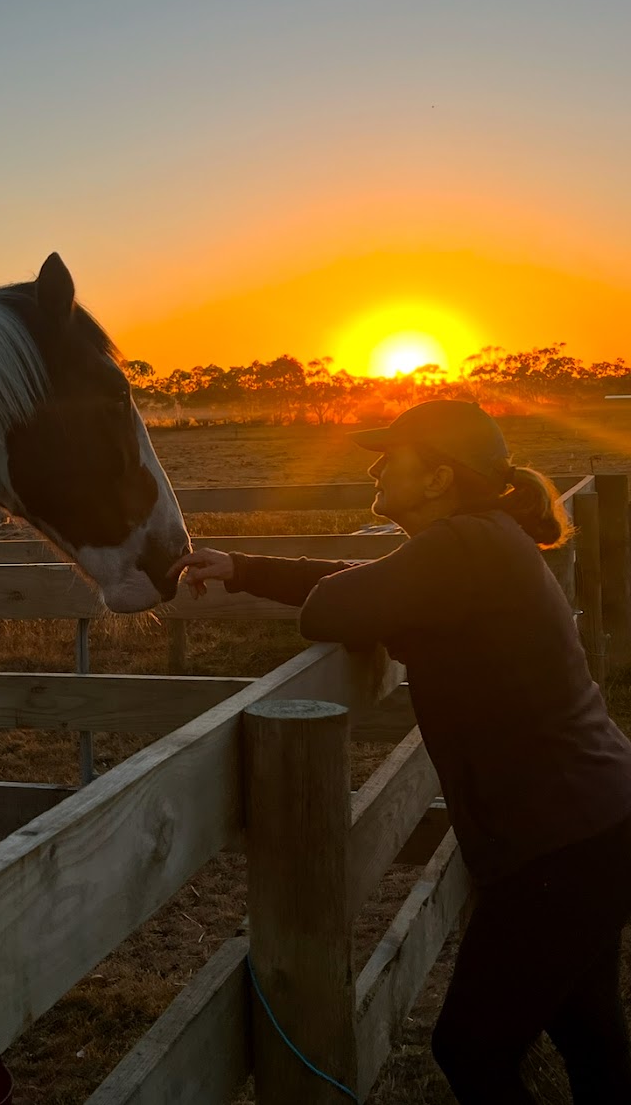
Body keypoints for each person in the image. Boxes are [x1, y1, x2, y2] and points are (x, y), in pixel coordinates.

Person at [170, 399, 631, 1104]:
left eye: (395, 454)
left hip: (561, 844)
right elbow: (366, 578)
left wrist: (321, 588)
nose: (378, 466)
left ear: (440, 478)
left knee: (471, 1046)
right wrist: (242, 567)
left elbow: (333, 605)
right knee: (590, 1034)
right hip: (593, 824)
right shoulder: (477, 541)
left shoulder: (462, 548)